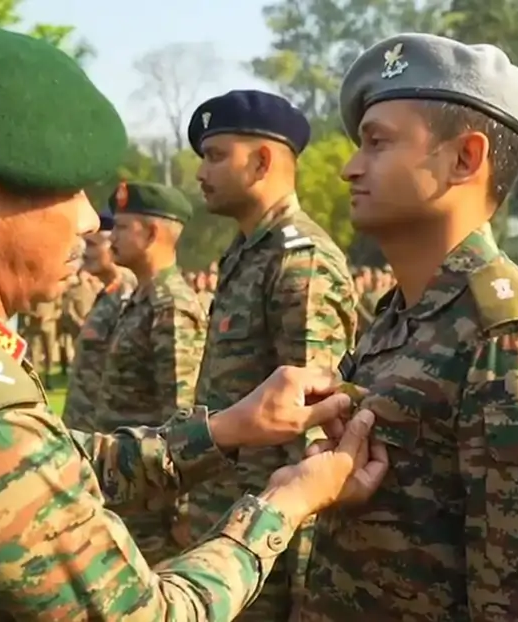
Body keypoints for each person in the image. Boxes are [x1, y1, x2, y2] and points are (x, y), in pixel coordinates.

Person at [0, 13, 387, 621]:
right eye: (67, 191)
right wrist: (284, 504)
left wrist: (225, 430)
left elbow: (51, 462)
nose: (86, 220)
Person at [296, 33, 518, 621]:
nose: (349, 168)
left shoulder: (514, 345)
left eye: (377, 143)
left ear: (465, 158)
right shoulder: (398, 318)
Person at [184, 89, 358, 618]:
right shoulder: (245, 253)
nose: (201, 173)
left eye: (216, 156)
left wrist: (300, 577)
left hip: (271, 535)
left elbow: (314, 423)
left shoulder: (299, 261)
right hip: (231, 519)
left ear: (262, 162)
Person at [98, 180, 207, 563]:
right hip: (127, 485)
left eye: (122, 227)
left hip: (152, 502)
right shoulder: (142, 298)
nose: (112, 237)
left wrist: (181, 508)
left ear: (151, 234)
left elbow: (182, 410)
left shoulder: (170, 305)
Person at [62, 207, 136, 431]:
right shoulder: (109, 294)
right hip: (86, 426)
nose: (85, 253)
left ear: (113, 244)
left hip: (105, 431)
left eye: (93, 245)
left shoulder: (128, 294)